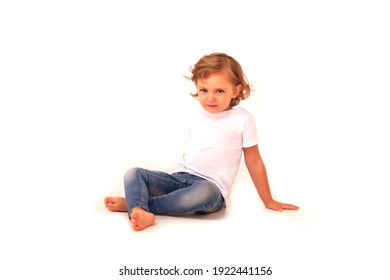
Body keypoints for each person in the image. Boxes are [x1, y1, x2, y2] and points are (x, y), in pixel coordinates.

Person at [104, 52, 299, 231]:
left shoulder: (243, 119)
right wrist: (174, 180)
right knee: (134, 173)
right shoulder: (197, 116)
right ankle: (138, 208)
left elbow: (254, 161)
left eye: (220, 91)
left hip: (211, 187)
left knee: (203, 191)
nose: (210, 98)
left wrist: (268, 200)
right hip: (179, 178)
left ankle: (135, 204)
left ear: (235, 90)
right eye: (204, 90)